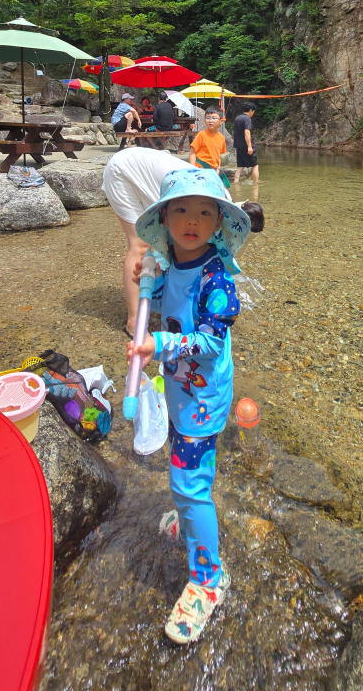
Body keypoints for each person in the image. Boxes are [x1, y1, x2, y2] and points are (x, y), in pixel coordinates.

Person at [128, 168, 251, 644]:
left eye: (205, 211)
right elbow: (163, 299)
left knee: (188, 482)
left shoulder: (216, 278)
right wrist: (149, 284)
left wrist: (156, 343)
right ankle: (188, 516)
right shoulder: (175, 263)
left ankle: (208, 580)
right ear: (164, 217)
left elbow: (208, 343)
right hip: (182, 392)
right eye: (180, 209)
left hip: (203, 399)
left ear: (220, 222)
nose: (192, 220)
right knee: (187, 475)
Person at [102, 147, 195, 336]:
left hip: (151, 176)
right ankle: (134, 322)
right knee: (140, 244)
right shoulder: (213, 200)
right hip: (123, 170)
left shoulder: (218, 204)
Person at [189, 106, 226, 173]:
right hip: (200, 168)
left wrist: (218, 169)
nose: (210, 121)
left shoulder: (221, 137)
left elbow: (218, 156)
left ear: (221, 122)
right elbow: (192, 152)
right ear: (205, 120)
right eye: (208, 118)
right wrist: (193, 169)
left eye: (214, 118)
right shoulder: (201, 134)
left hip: (213, 171)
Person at [233, 102, 259, 183]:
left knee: (240, 167)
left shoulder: (237, 118)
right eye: (253, 111)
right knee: (255, 166)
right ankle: (255, 184)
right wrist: (249, 146)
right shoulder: (247, 119)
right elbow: (247, 132)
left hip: (239, 146)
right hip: (246, 146)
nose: (253, 113)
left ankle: (235, 182)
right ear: (251, 110)